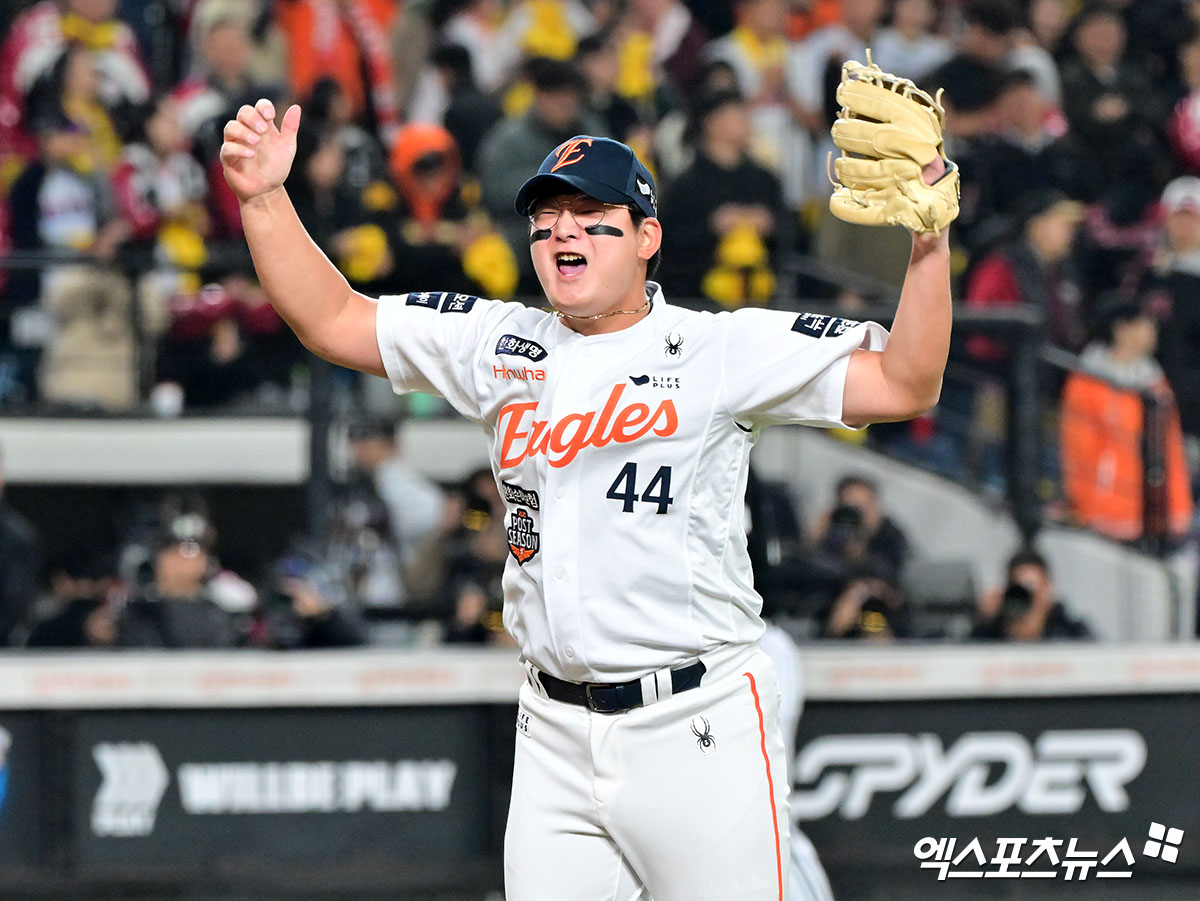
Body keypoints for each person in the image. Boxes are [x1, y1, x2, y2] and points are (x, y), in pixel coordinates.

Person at [219, 82, 952, 897]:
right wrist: (264, 199)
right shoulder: (500, 343)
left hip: (694, 720)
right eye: (546, 214)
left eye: (589, 211)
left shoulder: (715, 348)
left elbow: (904, 383)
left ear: (647, 238)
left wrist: (929, 244)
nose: (561, 227)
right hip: (553, 727)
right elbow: (333, 320)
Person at [971, 547, 1091, 640]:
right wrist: (984, 622)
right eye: (1020, 589)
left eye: (1033, 587)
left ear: (1048, 588)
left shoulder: (1071, 632)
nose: (1028, 597)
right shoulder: (991, 631)